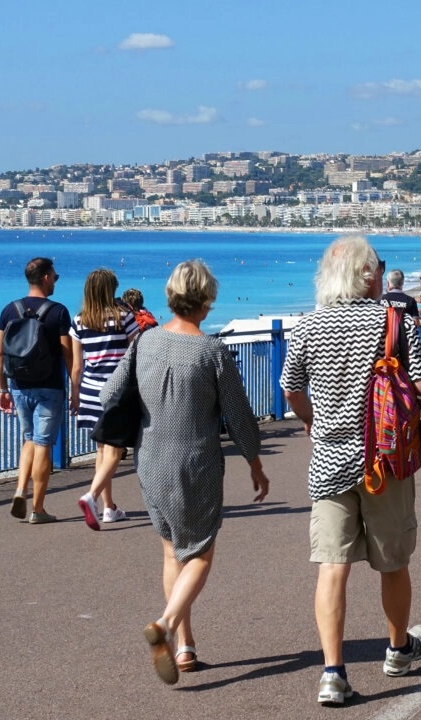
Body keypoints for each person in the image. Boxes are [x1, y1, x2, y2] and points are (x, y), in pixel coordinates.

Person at [279, 235, 421, 706]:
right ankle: (397, 650)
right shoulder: (394, 320)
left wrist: (312, 421)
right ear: (370, 276)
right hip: (385, 460)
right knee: (393, 562)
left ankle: (333, 673)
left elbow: (289, 388)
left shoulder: (307, 327)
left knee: (332, 567)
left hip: (329, 461)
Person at [103, 259, 269, 684]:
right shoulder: (212, 351)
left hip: (150, 461)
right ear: (207, 301)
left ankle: (185, 648)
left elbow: (109, 394)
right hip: (195, 463)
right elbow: (239, 416)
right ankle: (166, 624)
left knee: (170, 551)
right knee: (200, 552)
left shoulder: (145, 341)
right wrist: (255, 463)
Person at [0, 257, 73, 524]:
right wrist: (75, 387)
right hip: (49, 387)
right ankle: (38, 509)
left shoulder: (9, 310)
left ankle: (19, 489)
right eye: (55, 276)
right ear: (46, 277)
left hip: (18, 385)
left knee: (28, 438)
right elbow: (67, 355)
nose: (56, 281)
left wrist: (1, 388)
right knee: (43, 444)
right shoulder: (58, 311)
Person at [71, 268, 140, 530]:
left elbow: (78, 365)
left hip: (89, 390)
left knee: (102, 449)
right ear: (111, 289)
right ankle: (91, 497)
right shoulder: (124, 318)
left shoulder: (79, 321)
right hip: (117, 390)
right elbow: (136, 354)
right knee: (116, 450)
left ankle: (109, 507)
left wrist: (75, 393)